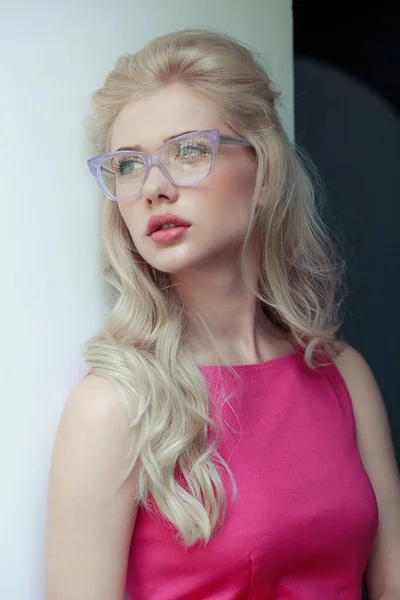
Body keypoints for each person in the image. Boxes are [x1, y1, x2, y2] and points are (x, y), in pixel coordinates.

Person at [45, 27, 400, 600]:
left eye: (188, 150)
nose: (154, 187)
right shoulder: (113, 407)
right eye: (129, 166)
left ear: (263, 174)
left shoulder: (344, 377)